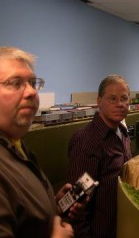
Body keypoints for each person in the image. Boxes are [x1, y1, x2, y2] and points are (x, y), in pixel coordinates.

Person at [0, 46, 80, 238]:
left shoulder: (16, 144)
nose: (31, 92)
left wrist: (52, 205)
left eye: (33, 83)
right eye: (15, 83)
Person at [67, 75, 132, 238]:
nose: (120, 104)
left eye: (124, 98)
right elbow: (76, 204)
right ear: (99, 101)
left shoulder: (122, 133)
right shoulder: (87, 142)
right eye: (112, 98)